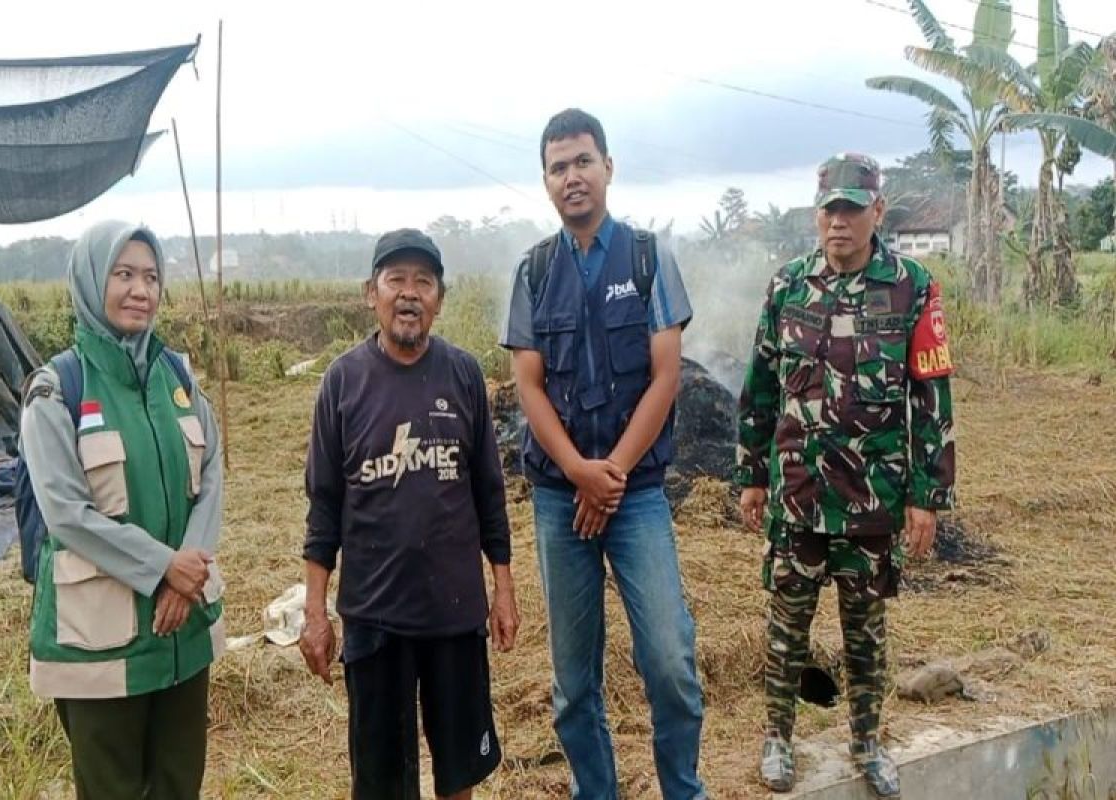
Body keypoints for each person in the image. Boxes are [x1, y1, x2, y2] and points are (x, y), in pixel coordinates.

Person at [499, 108, 706, 800]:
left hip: (635, 495)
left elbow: (666, 375)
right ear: (547, 181)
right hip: (561, 500)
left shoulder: (648, 258)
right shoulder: (533, 271)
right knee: (571, 683)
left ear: (608, 167)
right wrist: (579, 475)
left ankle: (683, 787)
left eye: (583, 161)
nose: (572, 177)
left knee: (671, 661)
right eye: (558, 167)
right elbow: (526, 384)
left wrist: (609, 474)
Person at [736, 153, 956, 797]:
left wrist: (927, 495)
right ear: (817, 213)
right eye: (831, 209)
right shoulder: (787, 287)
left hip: (873, 500)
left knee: (866, 633)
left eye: (853, 209)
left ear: (877, 213)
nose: (841, 221)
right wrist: (752, 474)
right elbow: (760, 387)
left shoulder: (913, 287)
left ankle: (867, 740)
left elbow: (932, 397)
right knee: (786, 628)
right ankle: (778, 737)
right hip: (799, 495)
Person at [300, 228, 520, 800]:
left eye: (424, 281)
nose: (409, 293)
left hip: (454, 614)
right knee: (381, 783)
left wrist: (503, 587)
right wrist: (315, 614)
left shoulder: (464, 374)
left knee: (459, 773)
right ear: (369, 292)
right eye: (395, 279)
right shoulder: (342, 382)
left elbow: (488, 490)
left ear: (439, 298)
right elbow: (323, 507)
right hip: (375, 617)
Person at [20, 220, 225, 799]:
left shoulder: (177, 377)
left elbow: (211, 475)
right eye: (124, 274)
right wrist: (164, 567)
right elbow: (66, 512)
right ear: (91, 281)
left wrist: (188, 576)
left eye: (152, 277)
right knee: (113, 789)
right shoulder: (57, 390)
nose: (141, 290)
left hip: (183, 633)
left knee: (178, 784)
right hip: (100, 646)